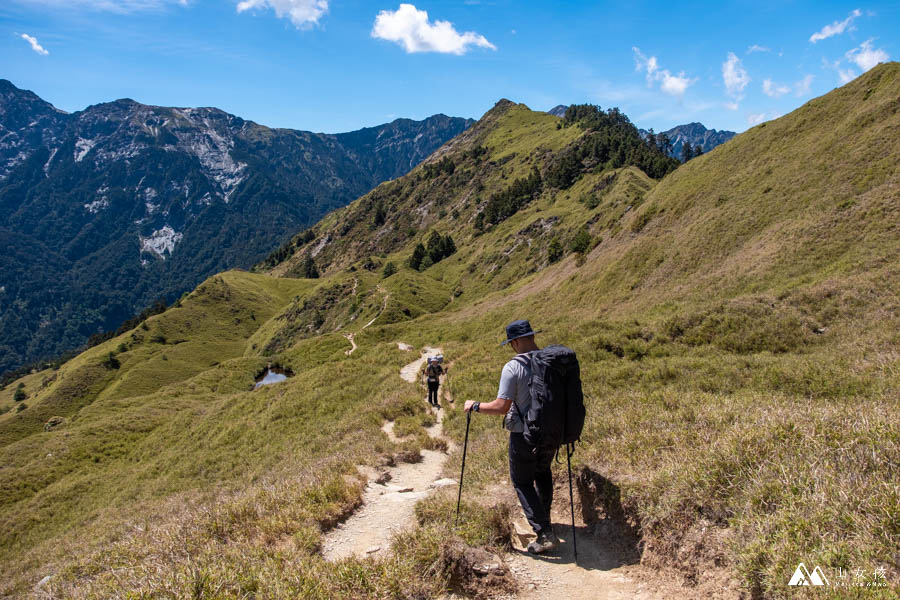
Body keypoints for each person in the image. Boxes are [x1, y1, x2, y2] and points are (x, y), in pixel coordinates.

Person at [464, 320, 561, 554]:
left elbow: (500, 406)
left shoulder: (512, 367)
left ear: (515, 342)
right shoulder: (552, 361)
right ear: (532, 337)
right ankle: (544, 518)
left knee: (522, 481)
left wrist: (475, 406)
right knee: (543, 472)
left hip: (524, 434)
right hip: (552, 431)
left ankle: (544, 532)